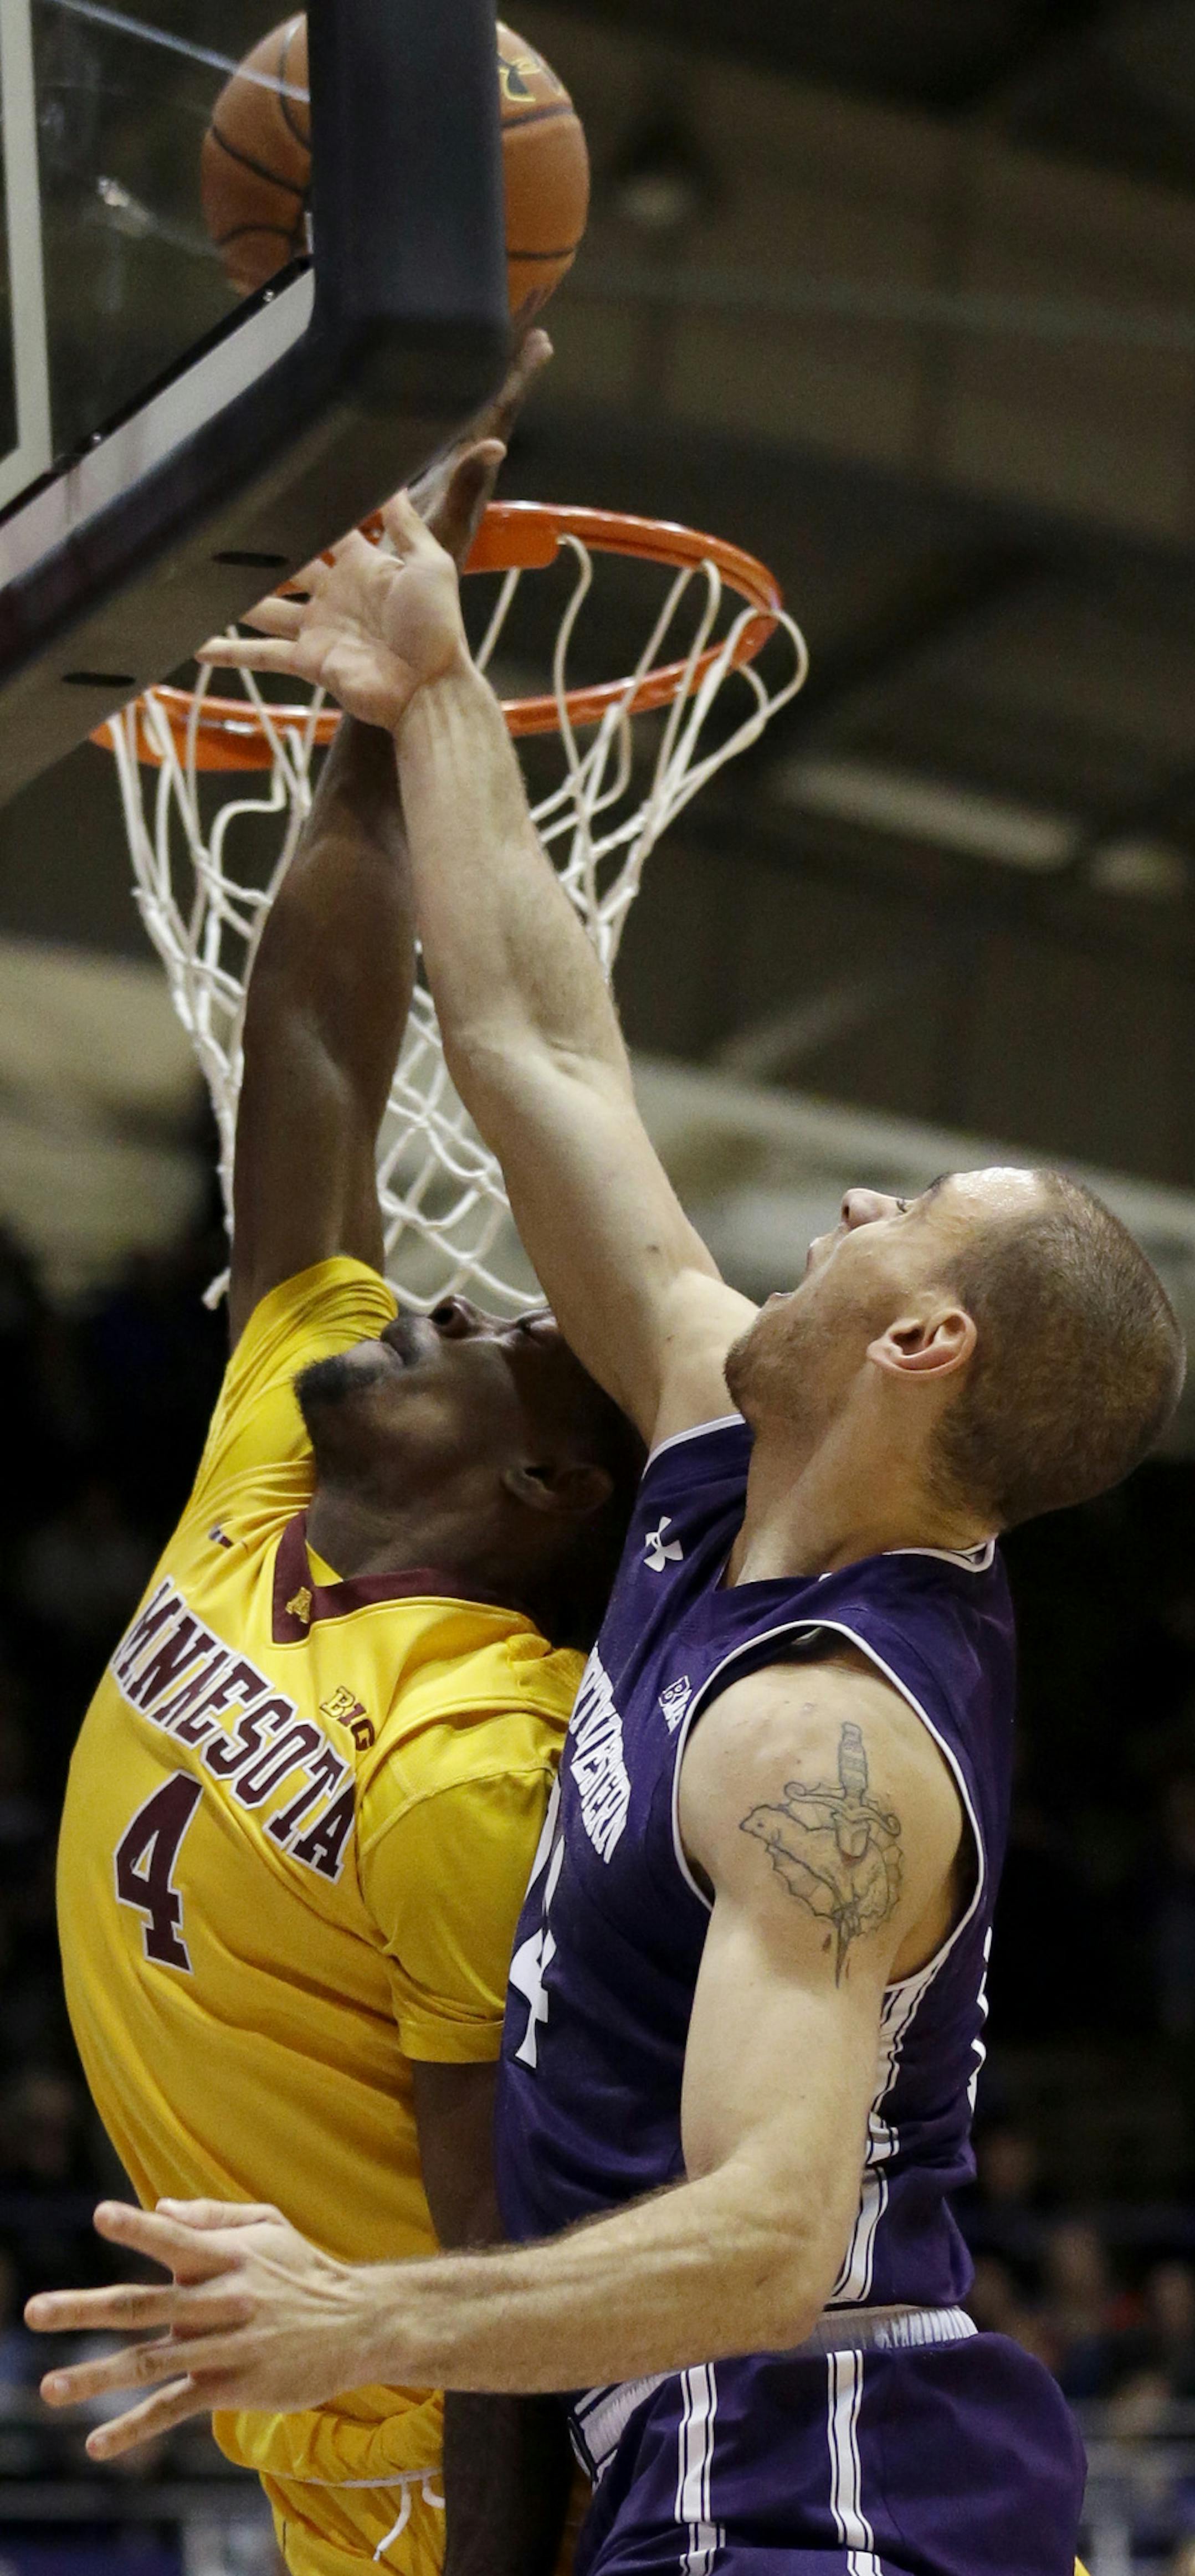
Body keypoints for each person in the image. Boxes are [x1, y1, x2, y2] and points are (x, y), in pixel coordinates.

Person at [29, 491, 1185, 2576]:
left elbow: (766, 2241)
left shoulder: (830, 1739)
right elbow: (542, 1047)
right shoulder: (712, 1437)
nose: (841, 1210)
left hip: (834, 2502)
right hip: (704, 2482)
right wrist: (435, 681)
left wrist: (353, 2315)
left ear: (923, 1341)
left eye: (897, 1217)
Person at [45, 377, 642, 2576]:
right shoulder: (283, 1395)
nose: (443, 1298)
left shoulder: (476, 1757)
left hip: (453, 2499)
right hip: (329, 2470)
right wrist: (391, 693)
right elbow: (312, 1039)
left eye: (497, 1337)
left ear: (548, 1491)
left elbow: (502, 2281)